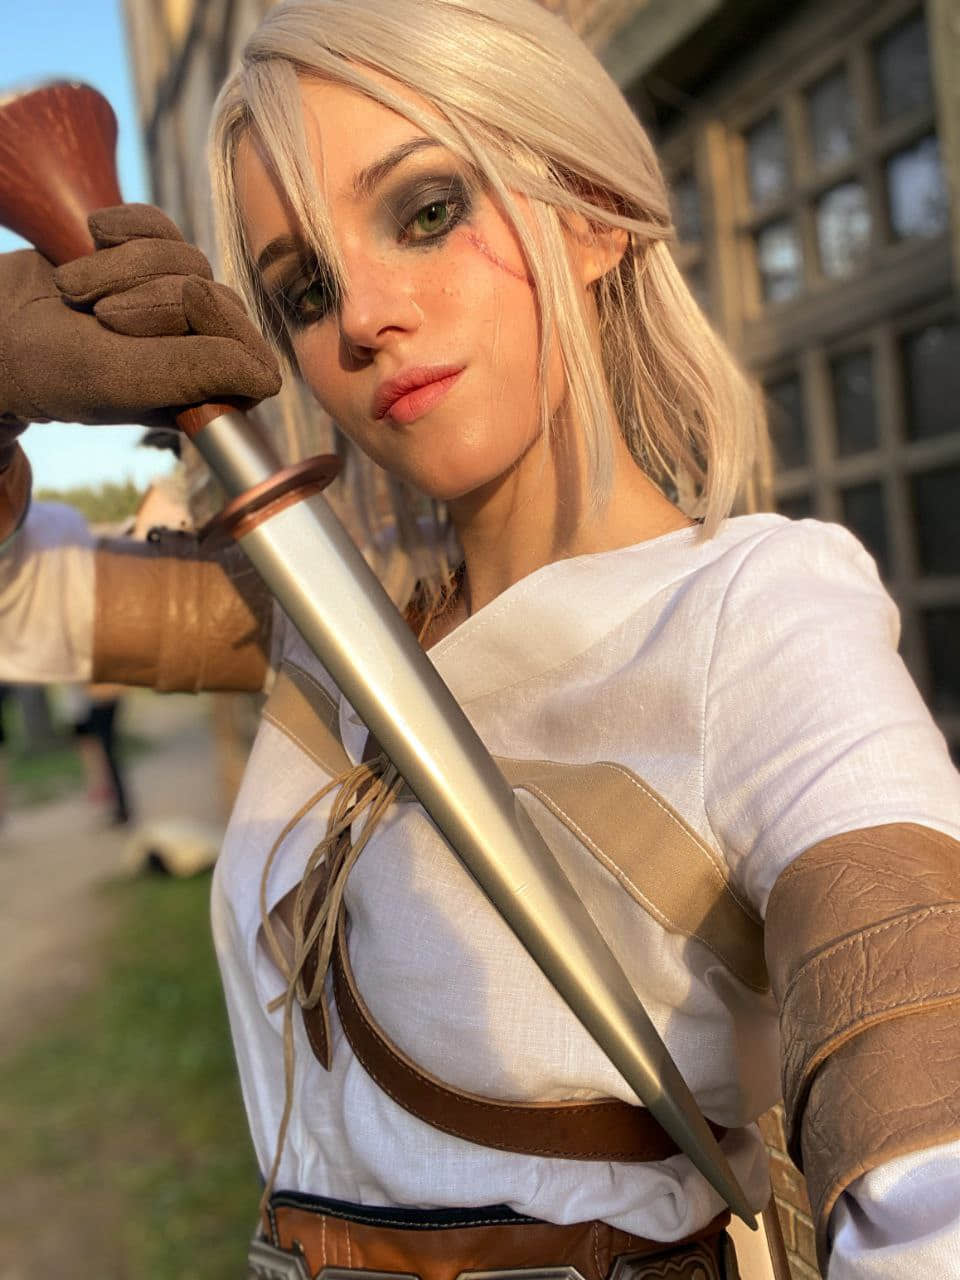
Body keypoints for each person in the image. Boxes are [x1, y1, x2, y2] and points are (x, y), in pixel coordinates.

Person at [1, 2, 959, 1276]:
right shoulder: (325, 618)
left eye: (426, 211)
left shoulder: (757, 611)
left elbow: (929, 1157)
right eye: (304, 289)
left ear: (592, 214)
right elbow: (22, 599)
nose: (362, 316)